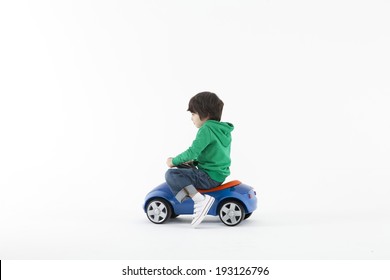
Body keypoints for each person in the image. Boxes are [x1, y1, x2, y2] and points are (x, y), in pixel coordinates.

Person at [165, 91, 234, 227]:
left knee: (172, 174)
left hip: (208, 177)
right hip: (217, 175)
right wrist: (193, 163)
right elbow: (215, 156)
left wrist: (173, 161)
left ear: (205, 114)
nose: (191, 118)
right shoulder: (222, 130)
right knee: (183, 168)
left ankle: (198, 200)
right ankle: (188, 198)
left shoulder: (206, 128)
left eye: (193, 114)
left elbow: (192, 151)